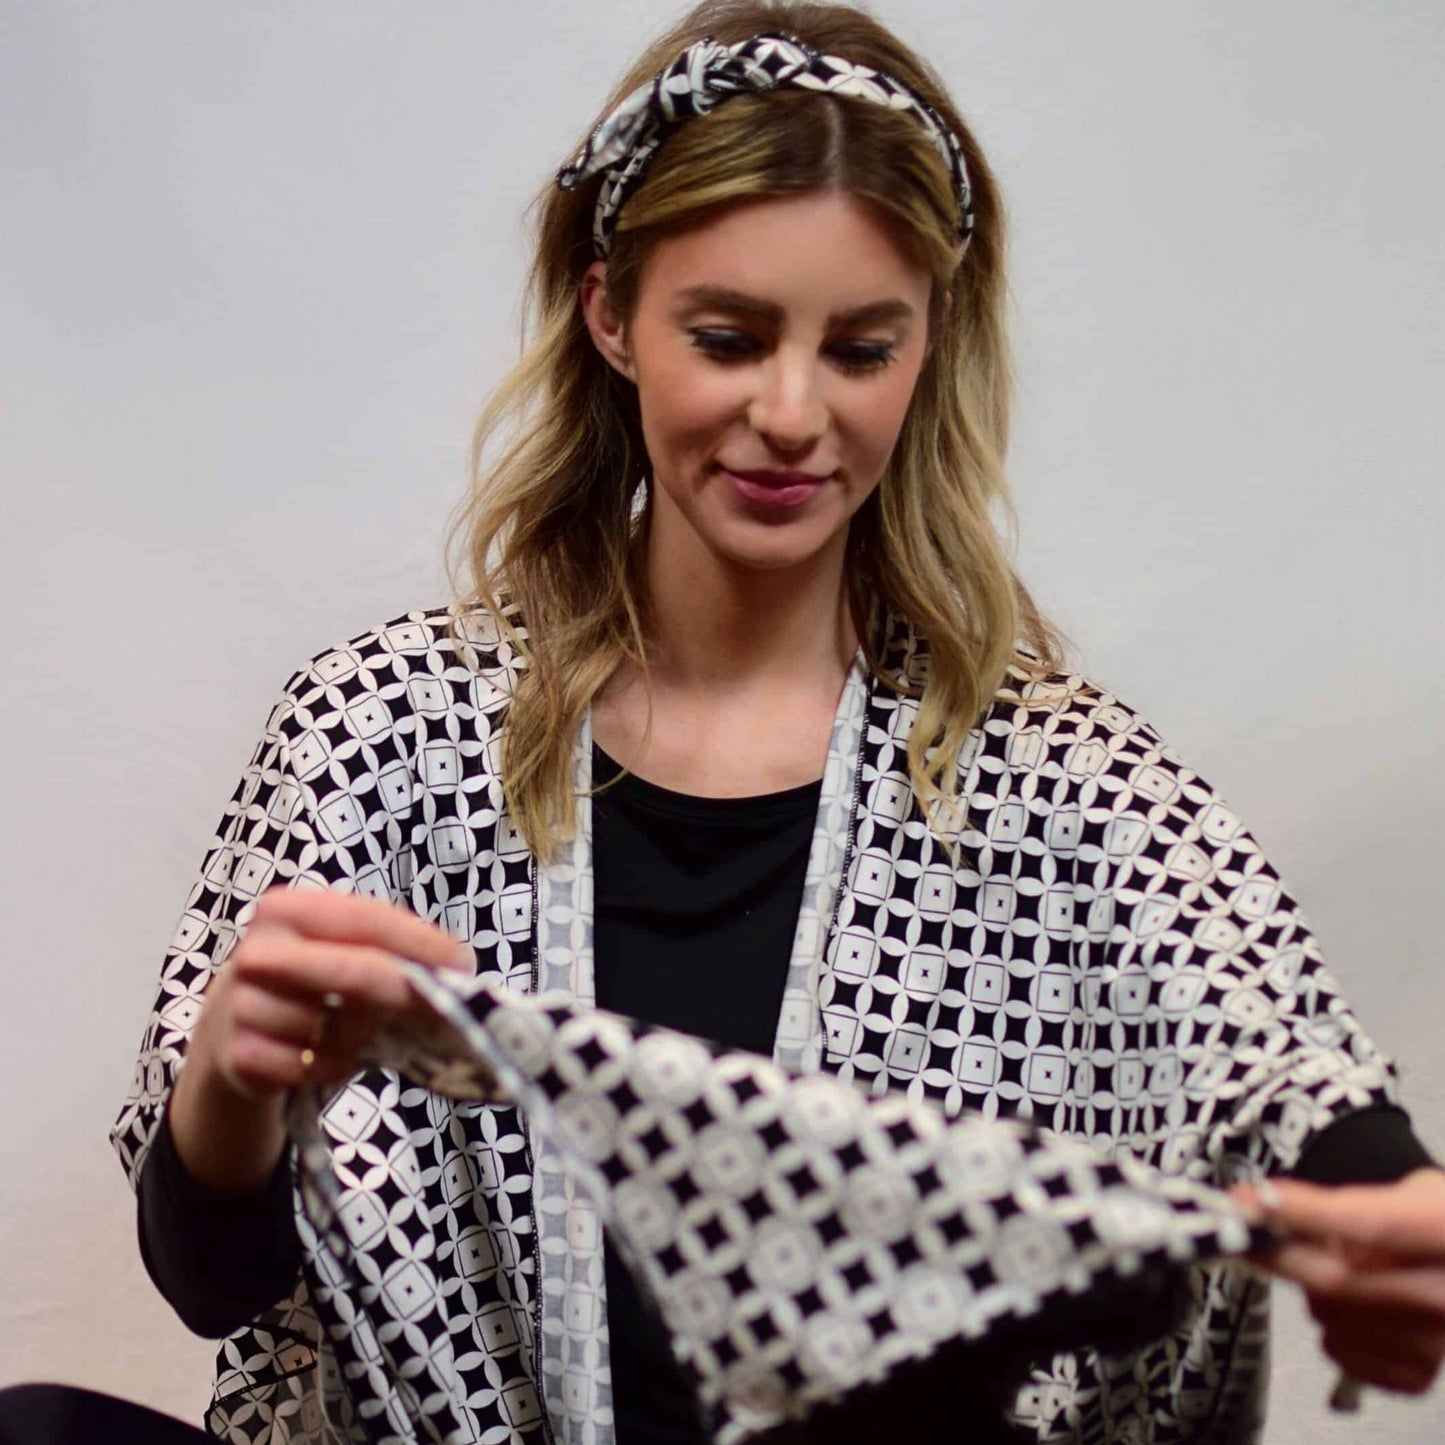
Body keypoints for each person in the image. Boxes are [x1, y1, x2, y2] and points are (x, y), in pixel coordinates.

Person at [107, 2, 1444, 1442]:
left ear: (929, 346)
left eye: (860, 348)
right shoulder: (388, 733)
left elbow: (1273, 1058)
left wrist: (1389, 1207)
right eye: (730, 337)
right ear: (610, 311)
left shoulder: (1060, 783)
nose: (792, 413)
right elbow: (212, 1278)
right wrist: (233, 1082)